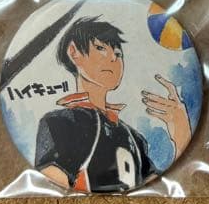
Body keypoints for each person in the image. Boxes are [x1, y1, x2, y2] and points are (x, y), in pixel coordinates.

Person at [34, 16, 192, 193]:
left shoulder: (135, 138)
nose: (112, 59)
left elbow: (155, 187)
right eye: (101, 48)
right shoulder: (59, 122)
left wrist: (181, 136)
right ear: (73, 52)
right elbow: (51, 177)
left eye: (118, 54)